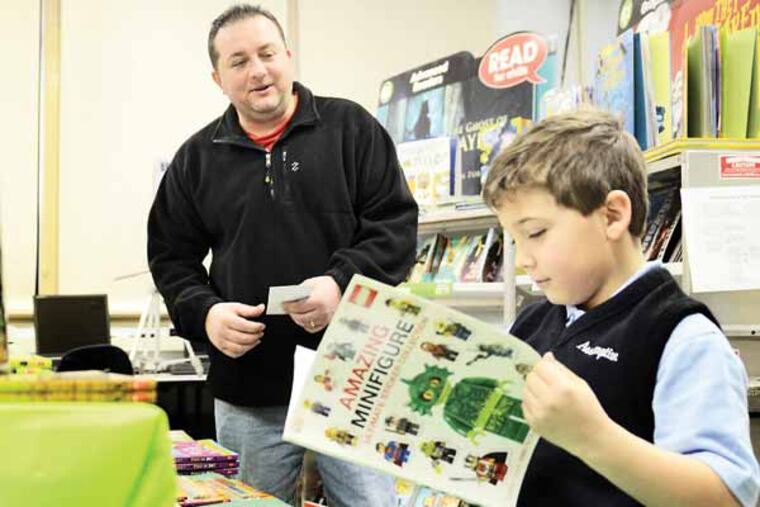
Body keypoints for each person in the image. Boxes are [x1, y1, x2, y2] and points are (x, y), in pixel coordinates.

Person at [147, 5, 417, 507]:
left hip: (353, 378)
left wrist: (341, 284)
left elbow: (395, 228)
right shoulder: (195, 159)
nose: (258, 70)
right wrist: (205, 315)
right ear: (218, 78)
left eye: (267, 53)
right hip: (249, 385)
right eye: (239, 61)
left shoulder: (351, 130)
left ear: (288, 57)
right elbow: (170, 257)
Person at [481, 110, 760, 507]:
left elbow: (725, 497)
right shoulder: (532, 320)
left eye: (536, 233)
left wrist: (591, 435)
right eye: (513, 241)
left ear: (612, 215)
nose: (524, 258)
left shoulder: (681, 337)